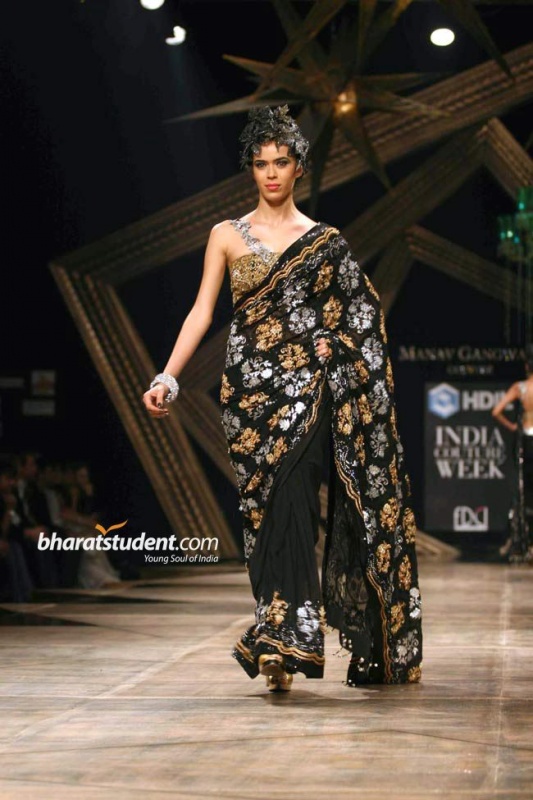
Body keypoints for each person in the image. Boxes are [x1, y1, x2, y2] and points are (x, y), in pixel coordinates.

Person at [142, 105, 423, 691]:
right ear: (251, 169)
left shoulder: (325, 242)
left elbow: (362, 316)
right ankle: (278, 631)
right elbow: (201, 313)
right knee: (264, 513)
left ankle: (284, 643)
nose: (271, 173)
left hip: (311, 394)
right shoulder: (225, 235)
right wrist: (167, 377)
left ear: (299, 168)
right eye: (261, 163)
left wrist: (334, 345)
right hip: (248, 399)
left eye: (281, 162)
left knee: (294, 499)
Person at [492, 343, 533, 563]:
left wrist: (512, 427)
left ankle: (523, 540)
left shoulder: (521, 388)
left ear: (527, 366)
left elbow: (496, 411)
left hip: (526, 440)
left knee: (524, 490)